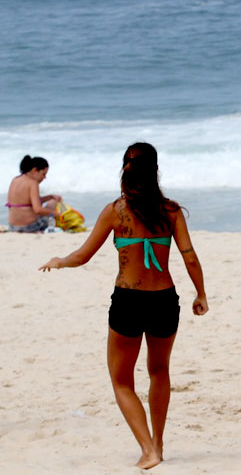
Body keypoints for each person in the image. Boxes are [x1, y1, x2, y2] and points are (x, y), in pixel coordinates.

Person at [39, 142, 208, 470]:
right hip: (164, 299)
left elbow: (82, 255)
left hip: (128, 300)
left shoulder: (115, 211)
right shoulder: (171, 211)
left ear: (125, 168)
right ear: (155, 170)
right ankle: (158, 441)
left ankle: (148, 450)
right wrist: (200, 294)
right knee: (160, 372)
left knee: (121, 380)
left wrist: (59, 262)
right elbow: (189, 256)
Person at [6, 155, 62, 232]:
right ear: (35, 170)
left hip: (12, 227)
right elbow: (38, 209)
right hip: (30, 227)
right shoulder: (33, 183)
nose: (44, 177)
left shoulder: (15, 179)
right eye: (43, 174)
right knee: (53, 203)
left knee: (52, 200)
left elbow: (26, 201)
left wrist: (50, 197)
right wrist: (57, 214)